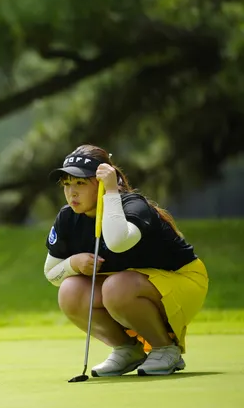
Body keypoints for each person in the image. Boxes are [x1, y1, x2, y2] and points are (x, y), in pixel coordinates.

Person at [43, 144, 209, 377]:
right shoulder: (68, 217)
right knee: (70, 291)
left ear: (102, 182)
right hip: (129, 285)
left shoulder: (134, 206)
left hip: (182, 280)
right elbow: (52, 274)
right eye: (67, 184)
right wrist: (73, 264)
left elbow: (117, 242)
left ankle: (165, 348)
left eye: (80, 183)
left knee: (116, 287)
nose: (72, 192)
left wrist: (111, 191)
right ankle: (127, 350)